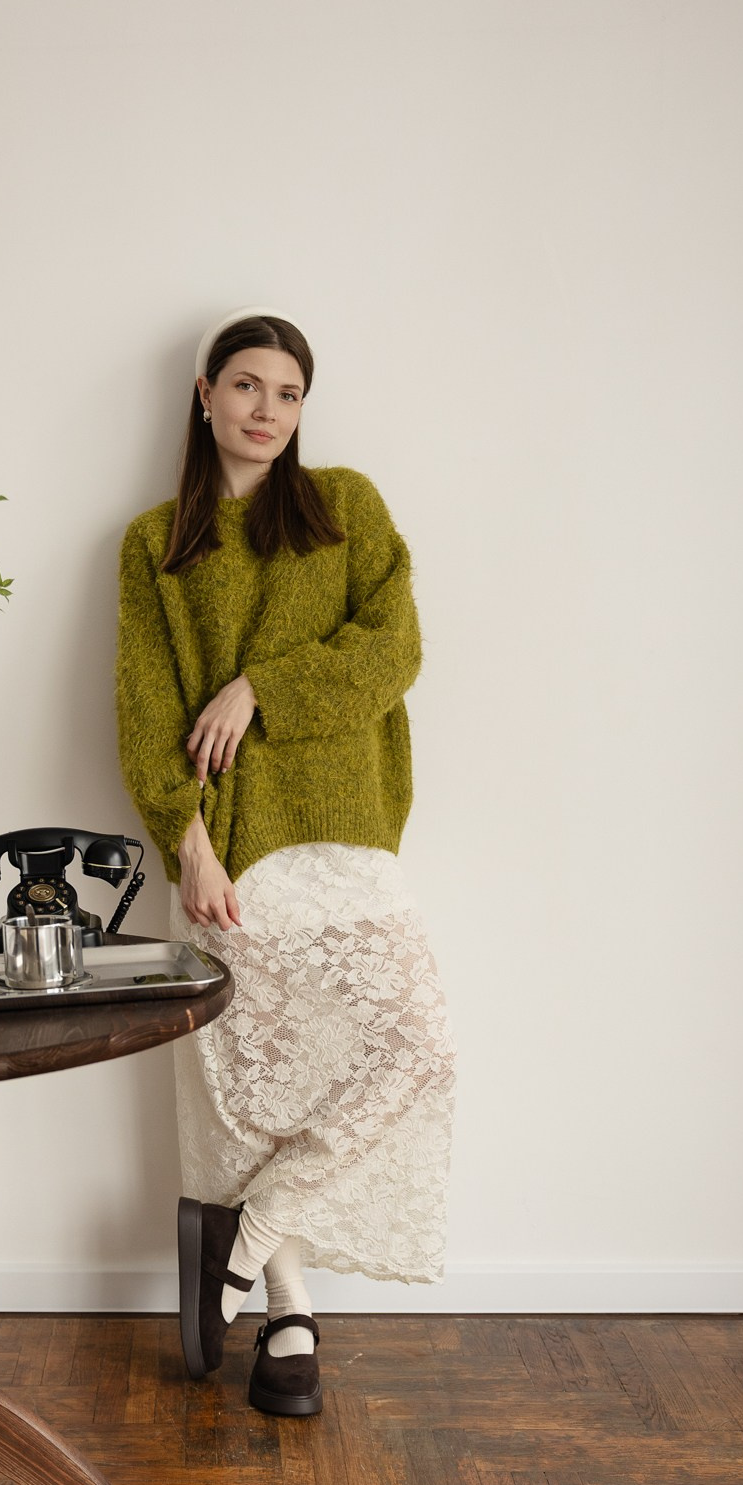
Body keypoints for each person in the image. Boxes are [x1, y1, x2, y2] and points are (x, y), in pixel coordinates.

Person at [115, 307, 457, 1418]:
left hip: (347, 832)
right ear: (205, 393)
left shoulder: (345, 507)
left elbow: (393, 649)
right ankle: (288, 1310)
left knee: (413, 1046)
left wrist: (258, 686)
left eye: (289, 393)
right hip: (232, 855)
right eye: (247, 386)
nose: (267, 411)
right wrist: (189, 847)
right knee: (259, 1088)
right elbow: (145, 715)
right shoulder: (156, 545)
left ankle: (243, 1238)